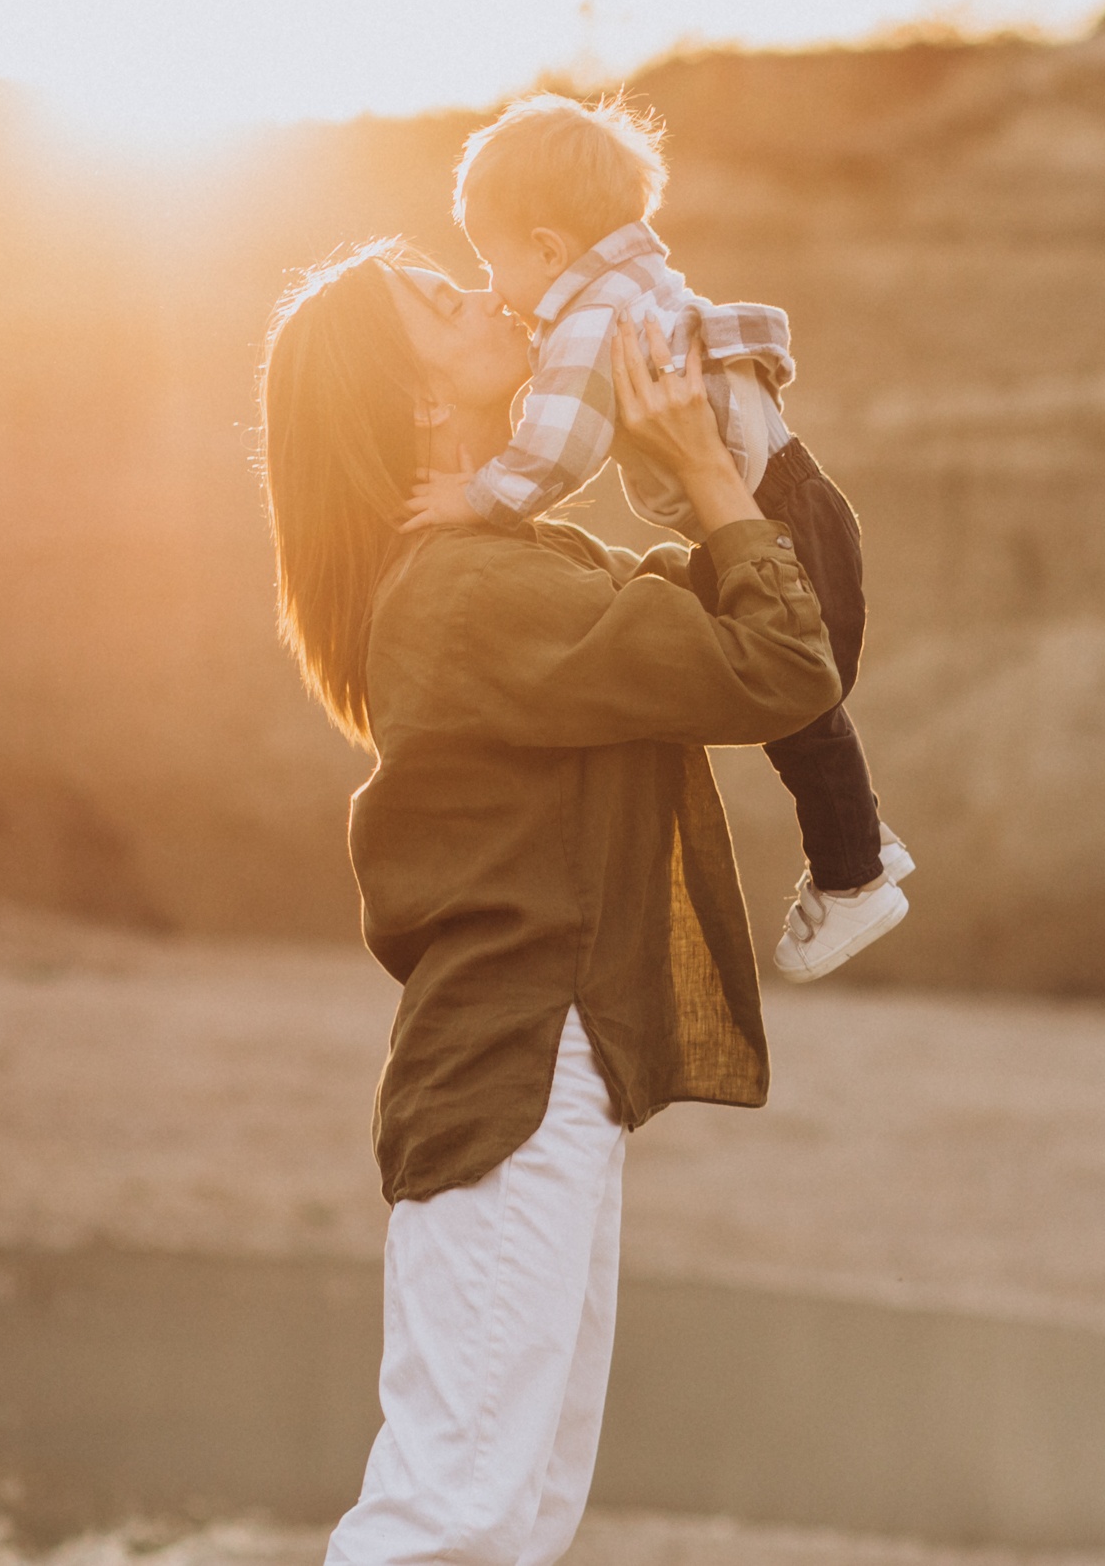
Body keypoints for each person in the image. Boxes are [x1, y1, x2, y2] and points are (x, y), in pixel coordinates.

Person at [259, 237, 842, 1566]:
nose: (495, 294)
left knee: (507, 1518)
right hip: (519, 1074)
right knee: (453, 1516)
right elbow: (780, 668)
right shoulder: (470, 591)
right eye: (444, 300)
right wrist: (700, 470)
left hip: (544, 1068)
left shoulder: (506, 566)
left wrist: (719, 460)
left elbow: (774, 632)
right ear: (416, 405)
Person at [403, 92, 910, 982]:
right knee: (801, 704)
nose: (492, 292)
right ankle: (861, 846)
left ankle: (856, 872)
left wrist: (480, 497)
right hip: (784, 498)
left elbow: (560, 447)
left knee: (799, 696)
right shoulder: (635, 283)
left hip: (768, 511)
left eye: (492, 265)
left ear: (549, 250)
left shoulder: (589, 319)